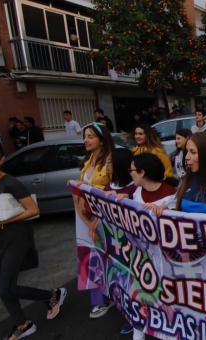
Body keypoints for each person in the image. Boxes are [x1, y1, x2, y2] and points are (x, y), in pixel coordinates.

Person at [0, 145, 67, 340]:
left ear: (1, 160)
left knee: (6, 287)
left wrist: (0, 222)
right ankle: (22, 323)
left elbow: (33, 210)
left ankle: (51, 296)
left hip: (15, 239)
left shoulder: (10, 183)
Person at [127, 152, 178, 339]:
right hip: (141, 258)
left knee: (166, 300)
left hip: (165, 262)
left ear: (142, 172)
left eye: (131, 170)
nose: (129, 174)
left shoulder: (171, 195)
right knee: (141, 297)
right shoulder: (135, 192)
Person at [71, 123, 116, 319]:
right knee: (93, 257)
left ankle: (115, 295)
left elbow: (117, 188)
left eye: (90, 136)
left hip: (108, 221)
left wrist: (90, 188)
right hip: (89, 221)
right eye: (84, 136)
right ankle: (100, 298)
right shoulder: (88, 161)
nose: (86, 140)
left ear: (102, 139)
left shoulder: (110, 161)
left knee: (111, 258)